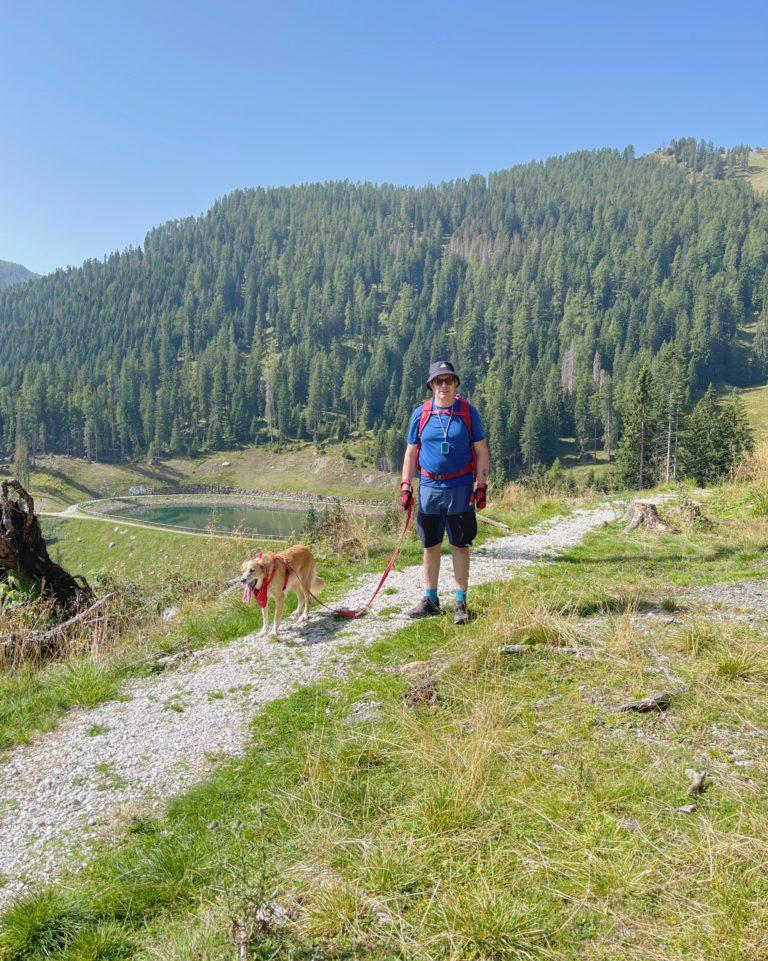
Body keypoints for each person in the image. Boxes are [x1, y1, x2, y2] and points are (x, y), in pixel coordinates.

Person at [399, 361, 489, 625]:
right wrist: (406, 486)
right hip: (429, 489)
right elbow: (411, 452)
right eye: (439, 381)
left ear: (455, 384)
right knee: (431, 545)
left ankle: (461, 603)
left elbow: (482, 450)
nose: (444, 386)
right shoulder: (421, 414)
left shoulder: (468, 413)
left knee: (460, 545)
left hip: (460, 488)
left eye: (449, 380)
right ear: (431, 386)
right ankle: (431, 600)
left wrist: (481, 486)